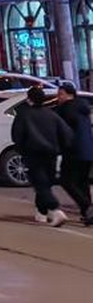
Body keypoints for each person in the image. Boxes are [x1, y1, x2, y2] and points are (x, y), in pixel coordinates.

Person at [12, 85, 73, 226]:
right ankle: (42, 212)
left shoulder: (24, 115)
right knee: (46, 183)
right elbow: (66, 133)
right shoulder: (51, 114)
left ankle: (55, 210)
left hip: (33, 153)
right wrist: (60, 148)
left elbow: (17, 135)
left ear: (29, 99)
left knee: (40, 184)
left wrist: (21, 150)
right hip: (51, 153)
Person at [53, 83, 93, 225]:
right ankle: (87, 214)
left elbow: (60, 130)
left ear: (68, 94)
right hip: (88, 150)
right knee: (82, 182)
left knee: (66, 180)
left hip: (73, 151)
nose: (58, 97)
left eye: (60, 94)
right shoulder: (83, 107)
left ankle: (87, 207)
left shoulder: (64, 109)